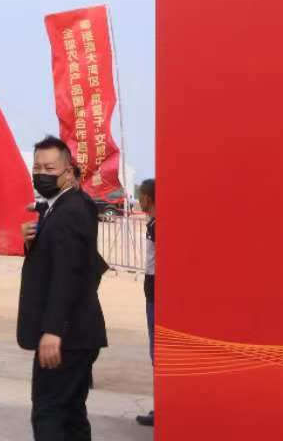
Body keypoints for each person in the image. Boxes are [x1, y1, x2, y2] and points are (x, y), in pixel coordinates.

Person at [16, 135, 107, 440]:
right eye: (37, 167)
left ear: (68, 172)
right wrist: (32, 241)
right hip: (76, 333)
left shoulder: (71, 210)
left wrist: (54, 330)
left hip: (68, 335)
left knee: (50, 413)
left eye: (49, 168)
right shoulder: (59, 207)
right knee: (70, 413)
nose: (41, 173)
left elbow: (69, 275)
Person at [135, 177, 156, 428]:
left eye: (140, 196)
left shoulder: (158, 225)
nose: (138, 200)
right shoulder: (153, 223)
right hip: (152, 292)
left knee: (157, 354)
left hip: (156, 294)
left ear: (148, 198)